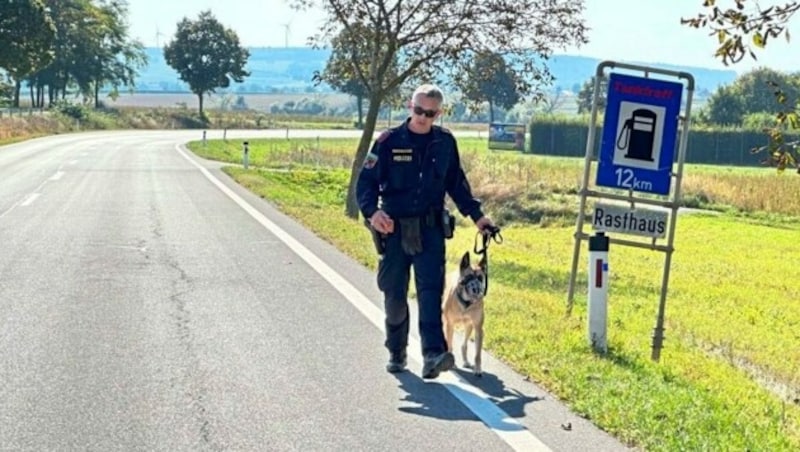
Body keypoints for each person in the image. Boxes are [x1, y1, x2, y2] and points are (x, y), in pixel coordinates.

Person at [356, 84, 496, 379]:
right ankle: (396, 350)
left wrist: (478, 216)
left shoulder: (444, 142)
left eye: (429, 113)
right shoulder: (389, 141)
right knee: (394, 295)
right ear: (411, 106)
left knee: (430, 295)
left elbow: (457, 184)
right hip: (394, 229)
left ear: (438, 113)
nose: (422, 117)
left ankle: (433, 354)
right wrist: (373, 212)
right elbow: (365, 183)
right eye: (418, 110)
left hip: (430, 230)